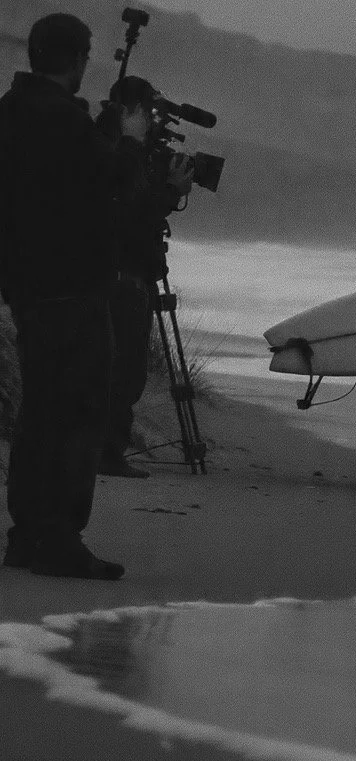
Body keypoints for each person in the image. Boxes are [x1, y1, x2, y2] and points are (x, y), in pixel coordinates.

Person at [0, 13, 148, 579]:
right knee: (81, 411)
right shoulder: (62, 118)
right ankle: (61, 538)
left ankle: (26, 535)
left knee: (39, 412)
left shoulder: (12, 112)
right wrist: (130, 143)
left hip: (29, 287)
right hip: (75, 287)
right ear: (77, 58)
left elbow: (58, 187)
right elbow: (113, 183)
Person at [95, 77, 193, 478]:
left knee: (117, 369)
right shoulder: (119, 154)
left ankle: (103, 450)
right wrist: (171, 192)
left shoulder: (107, 146)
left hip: (116, 274)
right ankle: (108, 452)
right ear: (130, 111)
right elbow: (133, 216)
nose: (154, 123)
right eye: (149, 113)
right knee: (126, 371)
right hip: (122, 278)